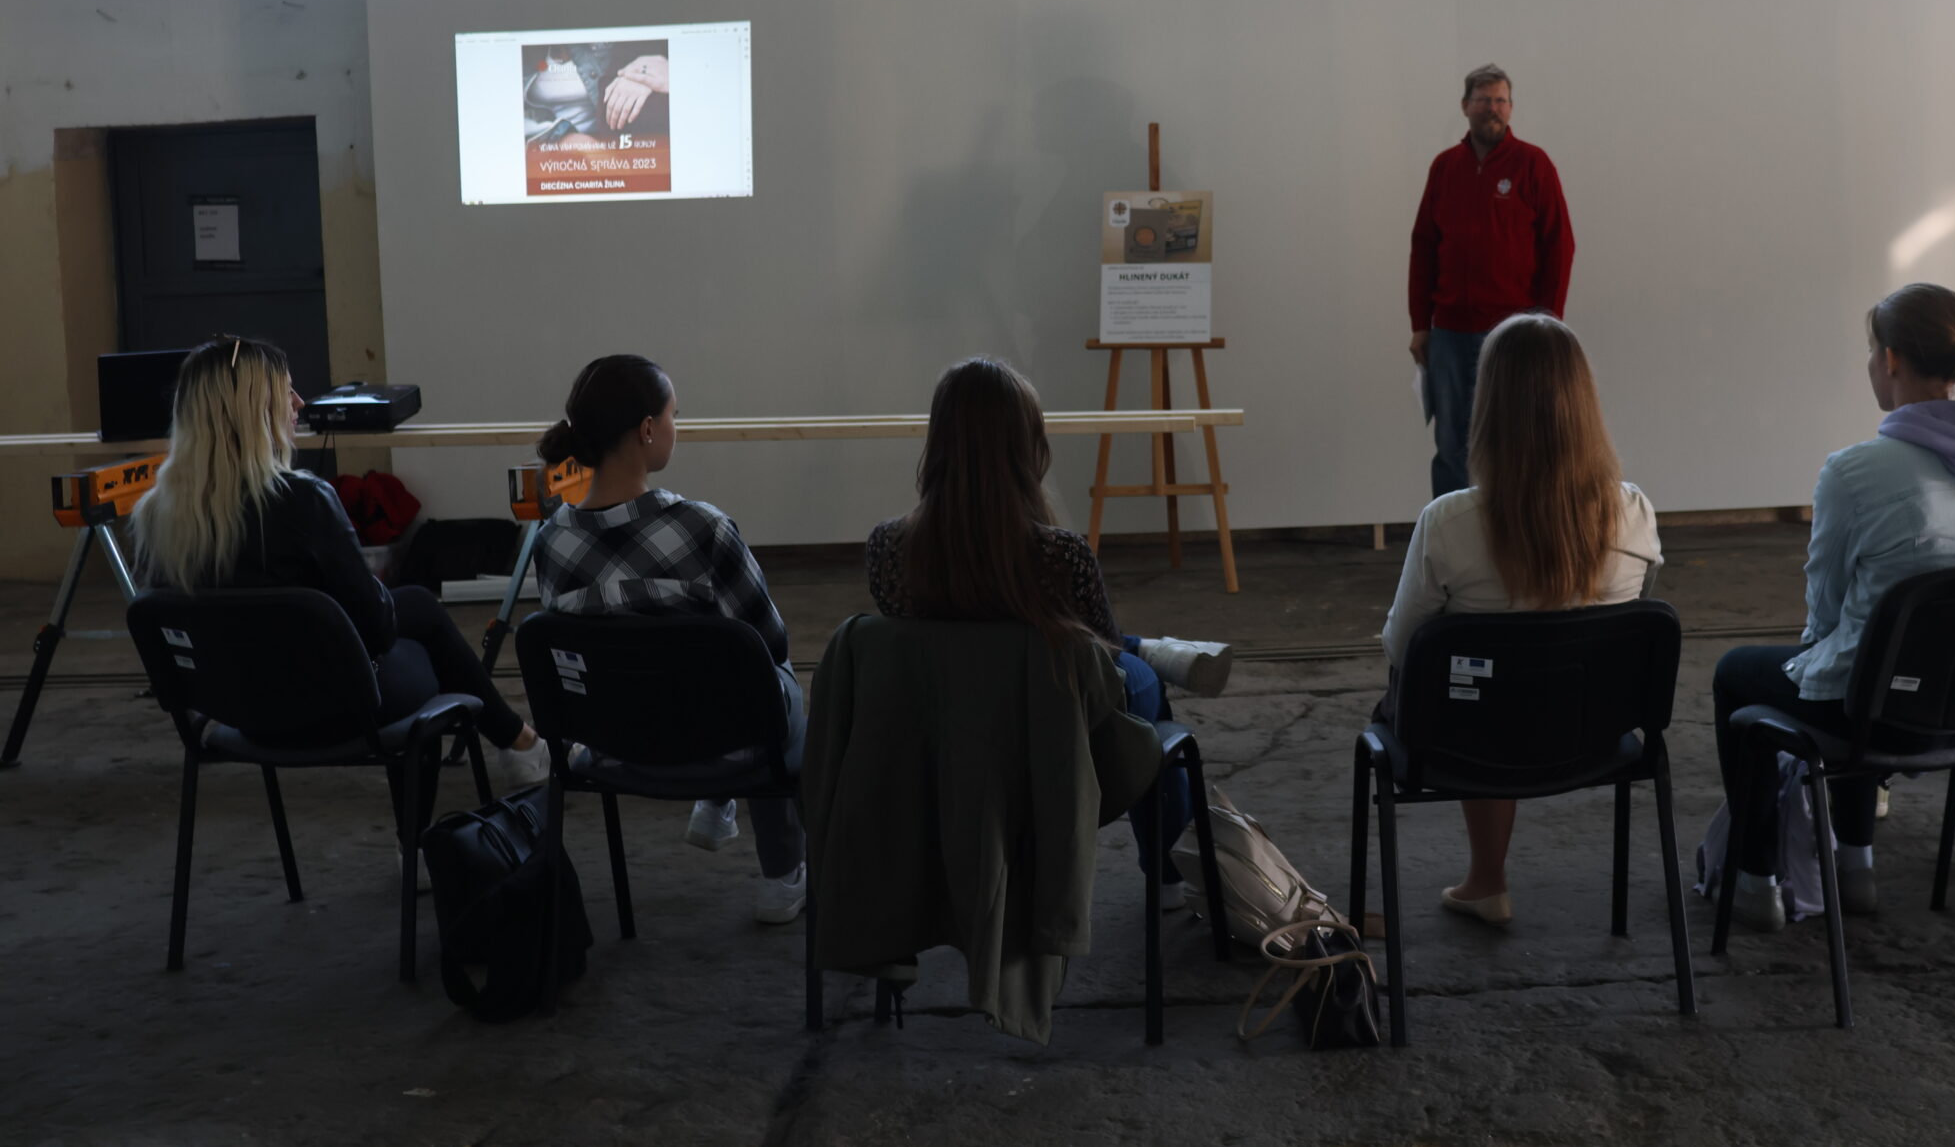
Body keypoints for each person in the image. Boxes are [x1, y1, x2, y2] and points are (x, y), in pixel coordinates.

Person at [129, 336, 548, 839]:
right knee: (422, 641)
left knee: (416, 606)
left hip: (235, 712)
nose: (300, 404)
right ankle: (458, 803)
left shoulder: (154, 516)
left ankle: (521, 744)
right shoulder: (302, 501)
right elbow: (378, 629)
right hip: (335, 708)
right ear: (254, 411)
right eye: (287, 392)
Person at [1711, 286, 1955, 935]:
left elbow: (1826, 610)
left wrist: (1817, 661)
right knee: (1872, 661)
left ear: (1889, 359)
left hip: (1880, 715)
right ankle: (1854, 864)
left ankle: (1756, 879)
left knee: (1749, 672)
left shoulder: (1855, 470)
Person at [864, 357, 1233, 883]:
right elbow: (1103, 656)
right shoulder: (1061, 554)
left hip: (944, 726)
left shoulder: (887, 546)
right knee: (1137, 676)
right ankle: (1170, 874)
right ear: (1026, 445)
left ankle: (1151, 649)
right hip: (1051, 724)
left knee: (1076, 646)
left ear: (939, 440)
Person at [1379, 313, 1663, 927]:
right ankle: (1486, 879)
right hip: (1596, 734)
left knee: (1473, 686)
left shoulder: (1448, 524)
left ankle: (1488, 879)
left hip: (1470, 743)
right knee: (1515, 682)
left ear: (1489, 406)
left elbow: (1402, 650)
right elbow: (1634, 624)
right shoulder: (1634, 513)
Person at [532, 354, 806, 925]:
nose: (676, 426)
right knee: (778, 682)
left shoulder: (552, 542)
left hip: (613, 750)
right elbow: (772, 642)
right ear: (647, 429)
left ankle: (717, 804)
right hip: (722, 745)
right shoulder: (703, 528)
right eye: (674, 415)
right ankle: (781, 877)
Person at [1408, 63, 1576, 500]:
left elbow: (1559, 246)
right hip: (1449, 333)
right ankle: (1450, 530)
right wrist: (1420, 325)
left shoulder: (1533, 164)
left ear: (1511, 108)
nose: (1493, 109)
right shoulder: (1445, 167)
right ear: (1465, 106)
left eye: (1501, 100)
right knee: (1451, 444)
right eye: (1483, 100)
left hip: (1512, 332)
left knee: (1514, 439)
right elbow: (1423, 247)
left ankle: (1512, 528)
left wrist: (1547, 323)